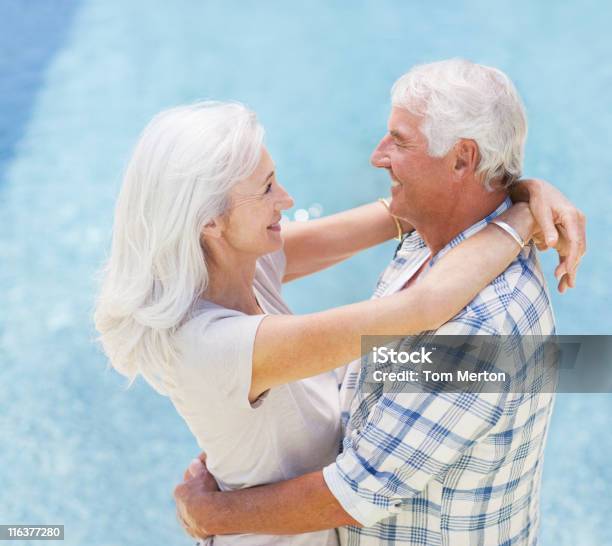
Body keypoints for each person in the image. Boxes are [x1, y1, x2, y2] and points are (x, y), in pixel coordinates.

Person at [172, 60, 587, 545]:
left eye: (400, 140)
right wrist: (523, 196)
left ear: (461, 160)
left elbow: (355, 493)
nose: (377, 156)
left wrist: (212, 514)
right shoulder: (433, 234)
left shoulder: (481, 328)